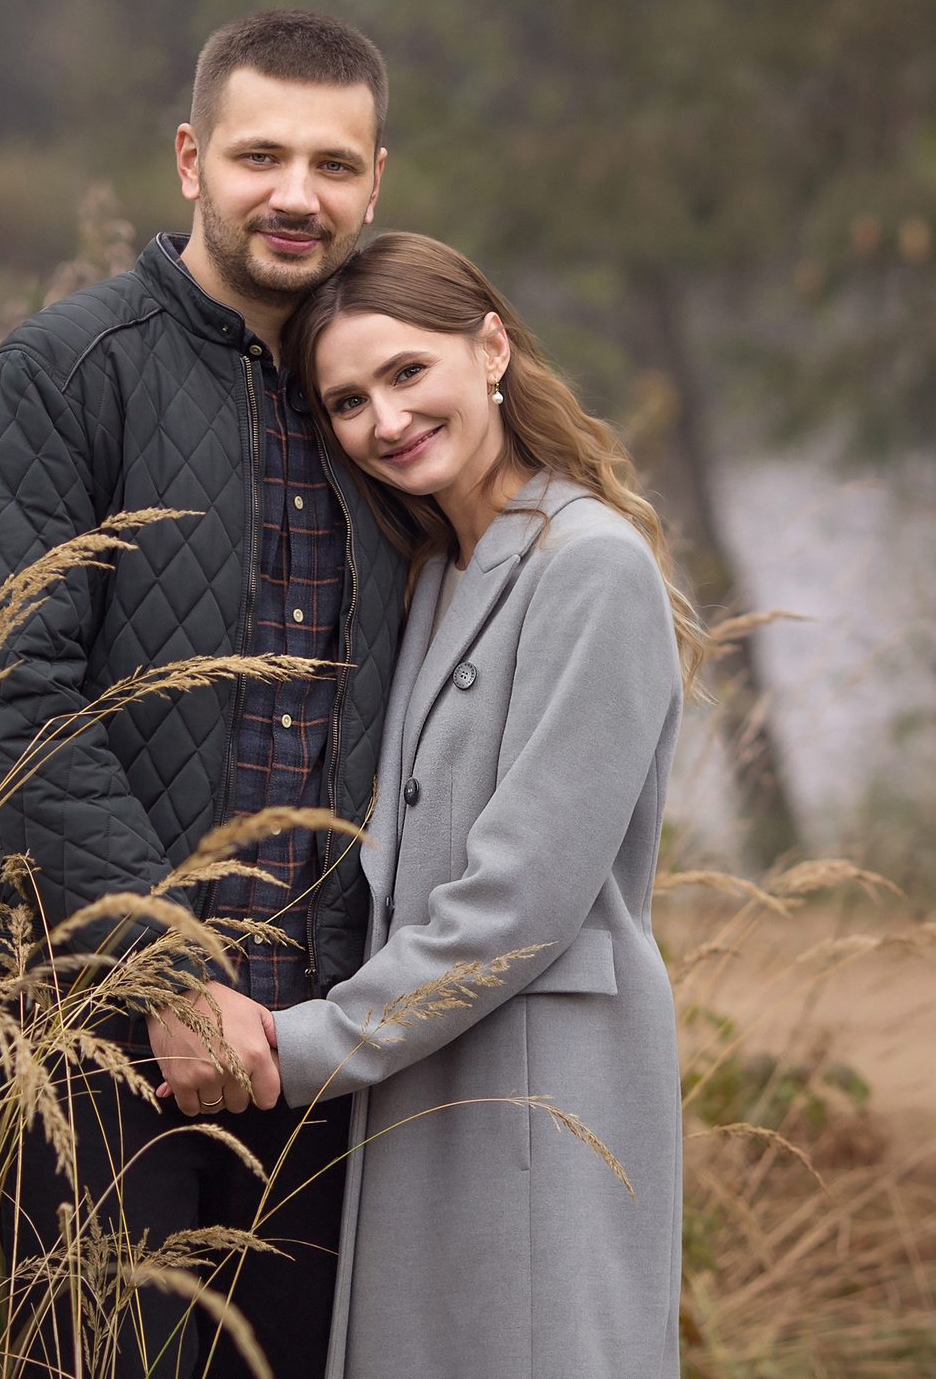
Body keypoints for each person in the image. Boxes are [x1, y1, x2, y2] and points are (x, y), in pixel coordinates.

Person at [0, 10, 407, 1377]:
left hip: (321, 1038)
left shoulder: (385, 400)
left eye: (333, 163)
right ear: (192, 159)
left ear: (376, 181)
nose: (296, 194)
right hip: (96, 1034)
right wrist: (169, 972)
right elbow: (11, 700)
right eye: (262, 156)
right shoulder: (67, 370)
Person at [262, 231, 694, 1379]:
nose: (386, 419)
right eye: (348, 400)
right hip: (430, 1079)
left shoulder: (589, 562)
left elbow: (518, 900)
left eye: (407, 372)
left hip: (544, 1092)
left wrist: (304, 1046)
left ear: (490, 348)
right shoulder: (431, 571)